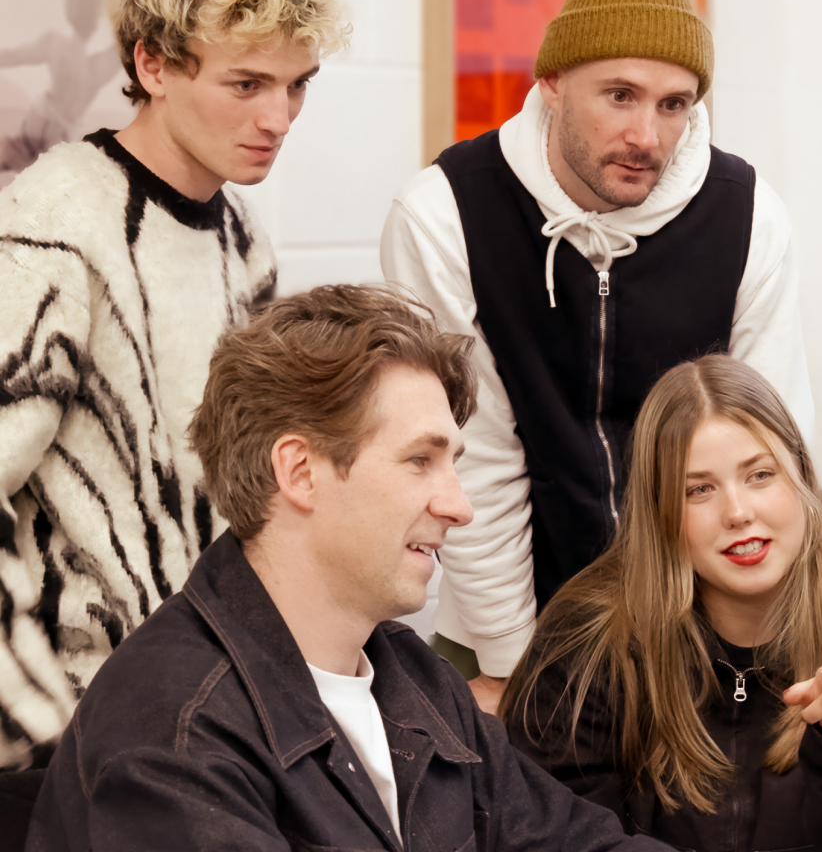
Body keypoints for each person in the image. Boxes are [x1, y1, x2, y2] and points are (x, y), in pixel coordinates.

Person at [27, 285, 677, 852]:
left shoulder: (412, 675)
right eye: (420, 461)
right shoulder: (176, 736)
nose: (460, 507)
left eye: (452, 465)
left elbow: (575, 841)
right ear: (300, 471)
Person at [380, 0, 815, 710]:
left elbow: (773, 450)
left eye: (674, 105)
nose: (647, 135)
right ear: (552, 83)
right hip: (502, 622)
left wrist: (755, 633)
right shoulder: (444, 215)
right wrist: (513, 662)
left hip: (704, 624)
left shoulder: (749, 217)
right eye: (620, 95)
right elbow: (473, 455)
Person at [0, 0, 346, 773]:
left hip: (205, 706)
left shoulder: (242, 240)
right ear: (152, 64)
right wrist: (35, 727)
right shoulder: (53, 227)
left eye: (297, 84)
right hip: (76, 733)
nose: (280, 117)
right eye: (247, 84)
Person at [500, 354, 822, 852]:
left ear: (801, 475)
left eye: (760, 475)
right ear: (658, 512)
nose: (738, 512)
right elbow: (554, 831)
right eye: (699, 490)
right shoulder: (586, 637)